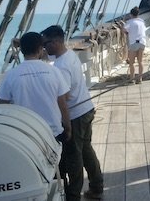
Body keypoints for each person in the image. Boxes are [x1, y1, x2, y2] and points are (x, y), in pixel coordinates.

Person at [41, 25, 104, 201]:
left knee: (74, 158)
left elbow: (65, 96)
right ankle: (97, 186)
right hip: (86, 109)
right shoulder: (69, 55)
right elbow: (48, 56)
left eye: (46, 44)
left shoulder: (61, 66)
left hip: (75, 116)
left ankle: (73, 196)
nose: (44, 47)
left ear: (55, 42)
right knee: (86, 150)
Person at [0, 32, 71, 141]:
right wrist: (68, 128)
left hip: (27, 133)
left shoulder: (11, 75)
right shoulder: (54, 71)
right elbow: (63, 101)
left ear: (22, 51)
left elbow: (3, 103)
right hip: (53, 133)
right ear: (40, 49)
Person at [123, 6, 147, 84]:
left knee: (131, 62)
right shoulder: (142, 22)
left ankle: (132, 79)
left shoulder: (129, 22)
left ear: (131, 14)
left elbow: (124, 30)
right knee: (140, 62)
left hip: (134, 43)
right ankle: (140, 79)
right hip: (142, 42)